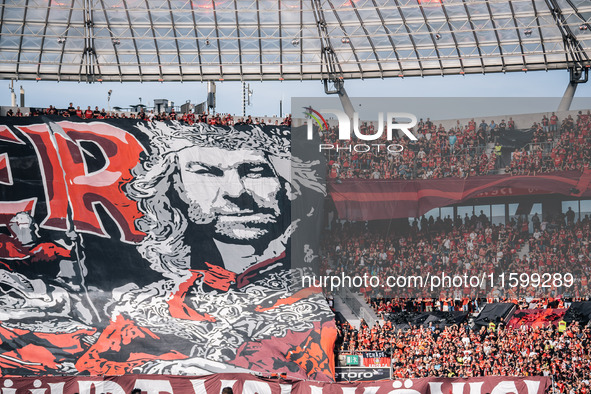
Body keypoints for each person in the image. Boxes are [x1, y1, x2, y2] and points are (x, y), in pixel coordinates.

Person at [74, 122, 336, 380]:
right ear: (176, 187)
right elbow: (93, 372)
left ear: (286, 185)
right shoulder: (151, 304)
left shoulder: (307, 297)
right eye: (207, 172)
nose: (236, 192)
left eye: (254, 171)